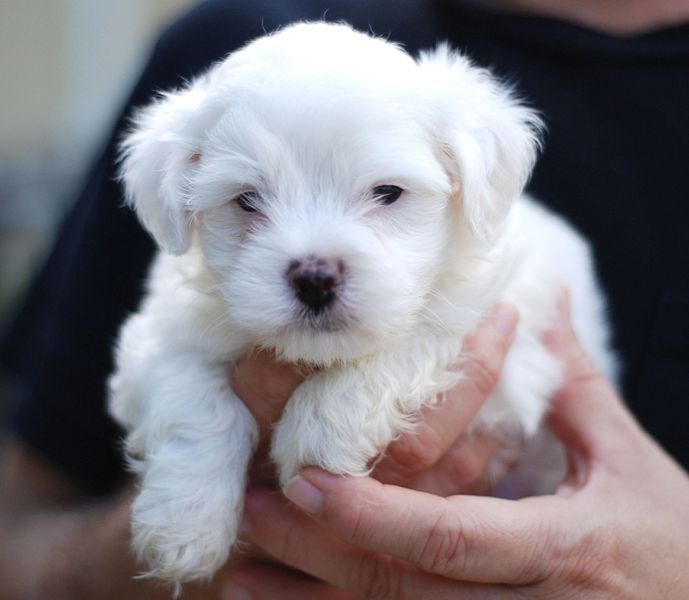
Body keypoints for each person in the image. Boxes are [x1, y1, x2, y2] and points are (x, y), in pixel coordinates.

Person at [1, 0, 688, 598]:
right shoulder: (219, 37)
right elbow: (153, 361)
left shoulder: (505, 253)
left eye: (384, 195)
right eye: (248, 202)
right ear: (179, 196)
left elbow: (518, 377)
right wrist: (200, 466)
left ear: (470, 181)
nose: (312, 262)